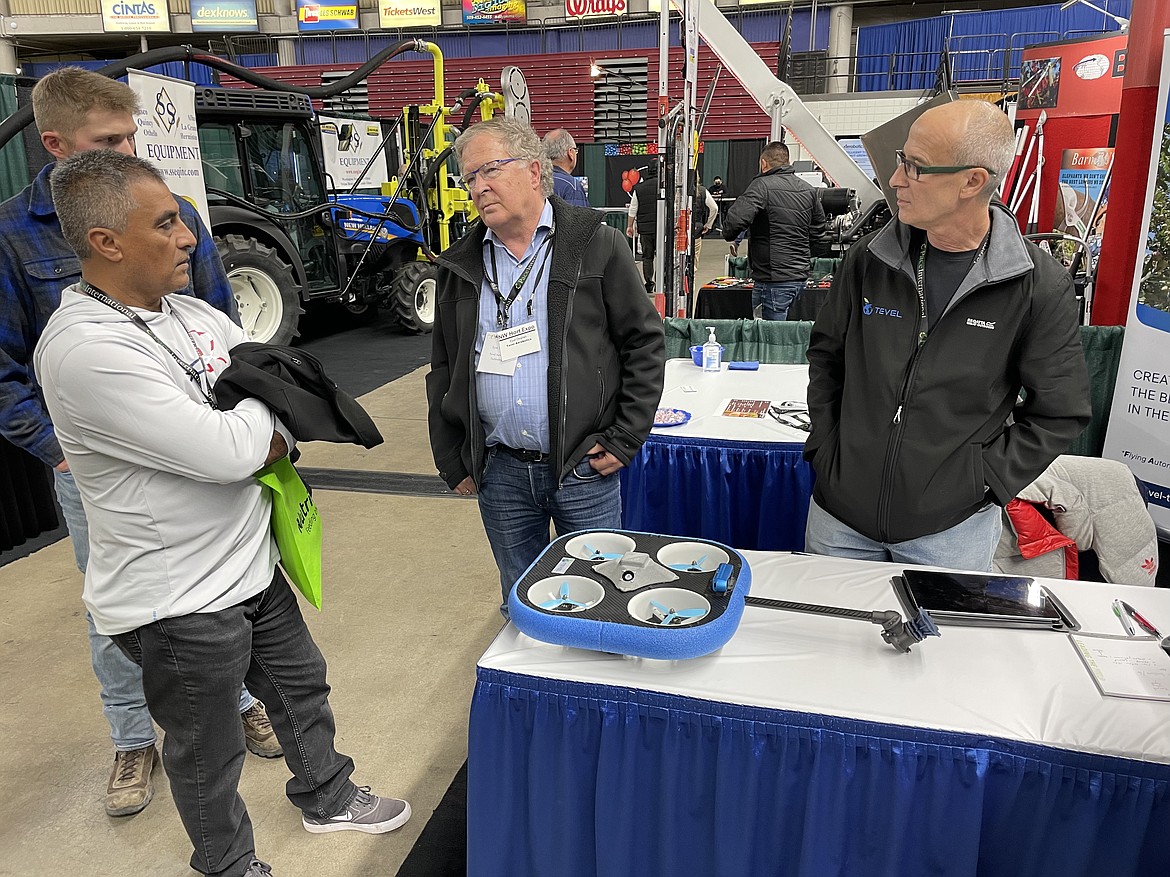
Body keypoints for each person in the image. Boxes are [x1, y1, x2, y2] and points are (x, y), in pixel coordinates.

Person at [36, 149, 410, 877]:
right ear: (106, 242)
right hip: (176, 600)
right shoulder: (86, 350)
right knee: (208, 747)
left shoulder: (190, 313)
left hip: (250, 561)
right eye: (168, 222)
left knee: (300, 687)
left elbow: (285, 381)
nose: (189, 238)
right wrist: (261, 419)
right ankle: (226, 863)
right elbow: (229, 448)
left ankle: (327, 794)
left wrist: (259, 415)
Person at [0, 66, 279, 820]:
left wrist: (234, 411)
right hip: (98, 467)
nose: (129, 149)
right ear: (54, 143)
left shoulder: (174, 209)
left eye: (134, 135)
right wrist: (61, 448)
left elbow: (223, 326)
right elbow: (3, 366)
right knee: (120, 609)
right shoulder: (10, 237)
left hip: (195, 437)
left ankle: (243, 699)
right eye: (109, 140)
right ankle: (133, 736)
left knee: (234, 576)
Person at [803, 100, 1092, 571]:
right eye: (901, 160)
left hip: (948, 533)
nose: (896, 179)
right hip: (838, 520)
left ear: (972, 181)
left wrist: (982, 479)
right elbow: (827, 357)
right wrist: (826, 449)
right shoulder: (870, 259)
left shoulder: (1035, 285)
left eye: (914, 167)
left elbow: (1059, 413)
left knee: (937, 646)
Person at [427, 117, 664, 609]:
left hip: (582, 466)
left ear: (535, 171)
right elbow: (445, 368)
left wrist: (625, 437)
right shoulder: (459, 266)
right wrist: (452, 457)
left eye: (489, 170)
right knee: (523, 601)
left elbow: (644, 344)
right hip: (501, 473)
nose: (478, 187)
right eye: (469, 177)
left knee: (603, 600)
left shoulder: (596, 245)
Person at [722, 141, 827, 321]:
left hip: (772, 281)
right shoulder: (808, 190)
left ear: (763, 163)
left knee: (769, 341)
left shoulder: (762, 186)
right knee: (793, 336)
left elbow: (733, 224)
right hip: (800, 277)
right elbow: (819, 230)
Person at [625, 160, 659, 292]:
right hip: (662, 229)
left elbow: (633, 209)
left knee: (647, 256)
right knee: (662, 256)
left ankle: (649, 283)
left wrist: (630, 226)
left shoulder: (639, 189)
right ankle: (661, 281)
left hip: (645, 229)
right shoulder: (665, 187)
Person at [542, 128, 590, 208]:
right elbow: (577, 219)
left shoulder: (534, 180)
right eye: (576, 150)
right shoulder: (572, 187)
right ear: (570, 153)